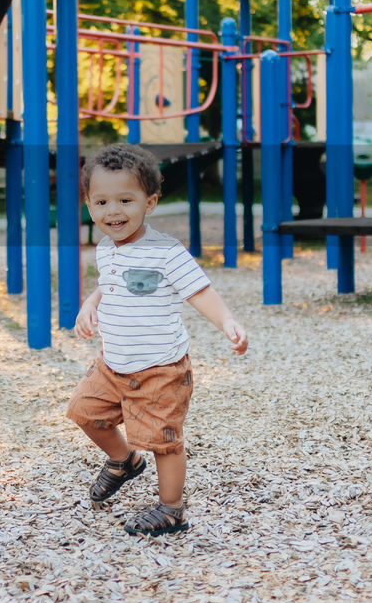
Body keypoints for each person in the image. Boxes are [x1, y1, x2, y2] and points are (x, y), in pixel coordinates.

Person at [68, 143, 248, 536]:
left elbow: (199, 291)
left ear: (149, 203)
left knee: (164, 442)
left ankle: (172, 509)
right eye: (101, 202)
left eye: (125, 200)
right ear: (88, 204)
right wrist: (90, 302)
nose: (112, 211)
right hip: (112, 363)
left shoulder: (165, 251)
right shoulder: (105, 248)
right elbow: (109, 285)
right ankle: (124, 461)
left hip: (160, 369)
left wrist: (227, 321)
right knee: (85, 413)